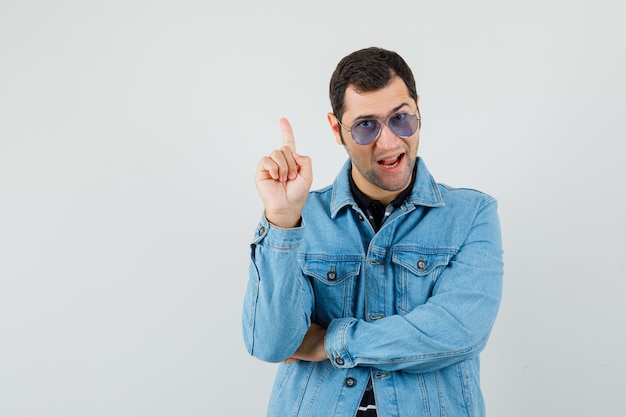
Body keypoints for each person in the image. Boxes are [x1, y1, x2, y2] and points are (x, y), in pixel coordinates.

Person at [242, 46, 503, 417]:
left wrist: (329, 341)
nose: (390, 142)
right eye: (366, 125)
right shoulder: (302, 217)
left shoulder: (472, 214)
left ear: (418, 110)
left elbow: (459, 330)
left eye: (401, 119)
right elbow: (270, 344)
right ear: (337, 129)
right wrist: (282, 220)